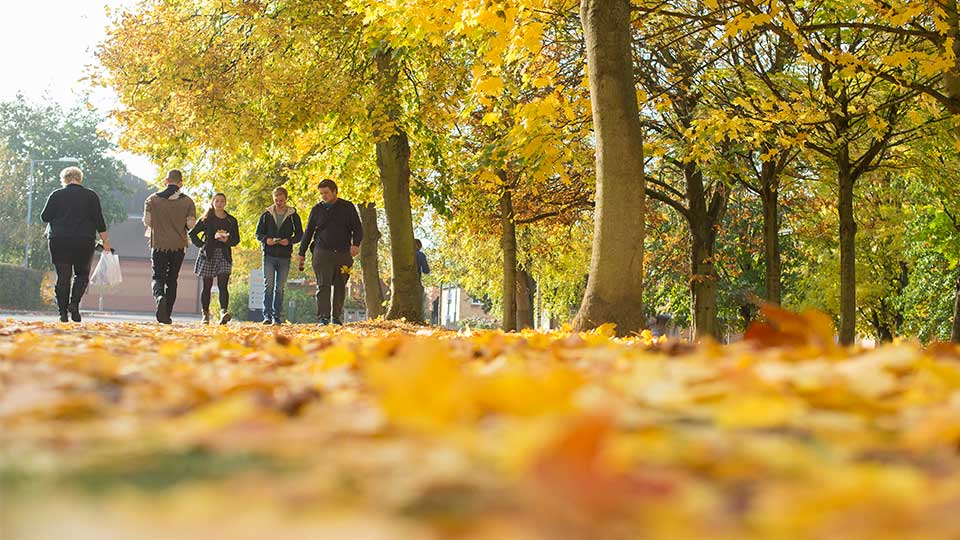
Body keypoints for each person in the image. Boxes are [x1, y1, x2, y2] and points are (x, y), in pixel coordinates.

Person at [40, 166, 112, 322]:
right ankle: (74, 304)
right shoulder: (91, 196)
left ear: (64, 179)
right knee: (81, 275)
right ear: (80, 178)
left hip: (59, 240)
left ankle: (62, 313)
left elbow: (45, 217)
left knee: (63, 277)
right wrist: (105, 241)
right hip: (84, 240)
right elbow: (99, 221)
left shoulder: (56, 195)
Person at [297, 179, 362, 326]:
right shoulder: (317, 209)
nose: (323, 196)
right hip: (322, 252)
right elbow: (308, 232)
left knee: (340, 286)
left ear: (334, 191)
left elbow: (358, 228)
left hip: (343, 253)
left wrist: (356, 244)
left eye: (326, 193)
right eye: (321, 194)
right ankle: (323, 318)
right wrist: (302, 252)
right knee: (323, 285)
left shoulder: (347, 207)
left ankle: (336, 317)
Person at [143, 169, 196, 324]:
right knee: (172, 279)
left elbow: (147, 221)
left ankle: (159, 297)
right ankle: (167, 314)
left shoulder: (152, 199)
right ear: (180, 183)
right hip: (178, 245)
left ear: (166, 181)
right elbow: (190, 224)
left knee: (157, 276)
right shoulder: (188, 201)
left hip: (158, 244)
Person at [189, 192, 240, 324]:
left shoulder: (231, 220)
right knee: (207, 285)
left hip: (224, 254)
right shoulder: (206, 219)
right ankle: (205, 314)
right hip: (209, 254)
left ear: (225, 203)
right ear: (213, 203)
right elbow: (192, 234)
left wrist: (227, 240)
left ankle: (223, 312)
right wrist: (202, 245)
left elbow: (236, 240)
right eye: (217, 201)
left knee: (223, 284)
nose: (219, 203)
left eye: (222, 201)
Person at [255, 186, 303, 325]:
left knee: (280, 287)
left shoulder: (293, 216)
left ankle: (277, 316)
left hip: (284, 255)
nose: (279, 203)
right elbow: (258, 233)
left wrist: (289, 241)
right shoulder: (266, 215)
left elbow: (300, 234)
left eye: (281, 200)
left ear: (286, 199)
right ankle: (267, 315)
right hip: (269, 255)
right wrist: (266, 240)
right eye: (276, 200)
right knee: (268, 285)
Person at [415, 238, 430, 319]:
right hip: (415, 283)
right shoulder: (420, 255)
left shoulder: (402, 254)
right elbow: (426, 271)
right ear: (419, 246)